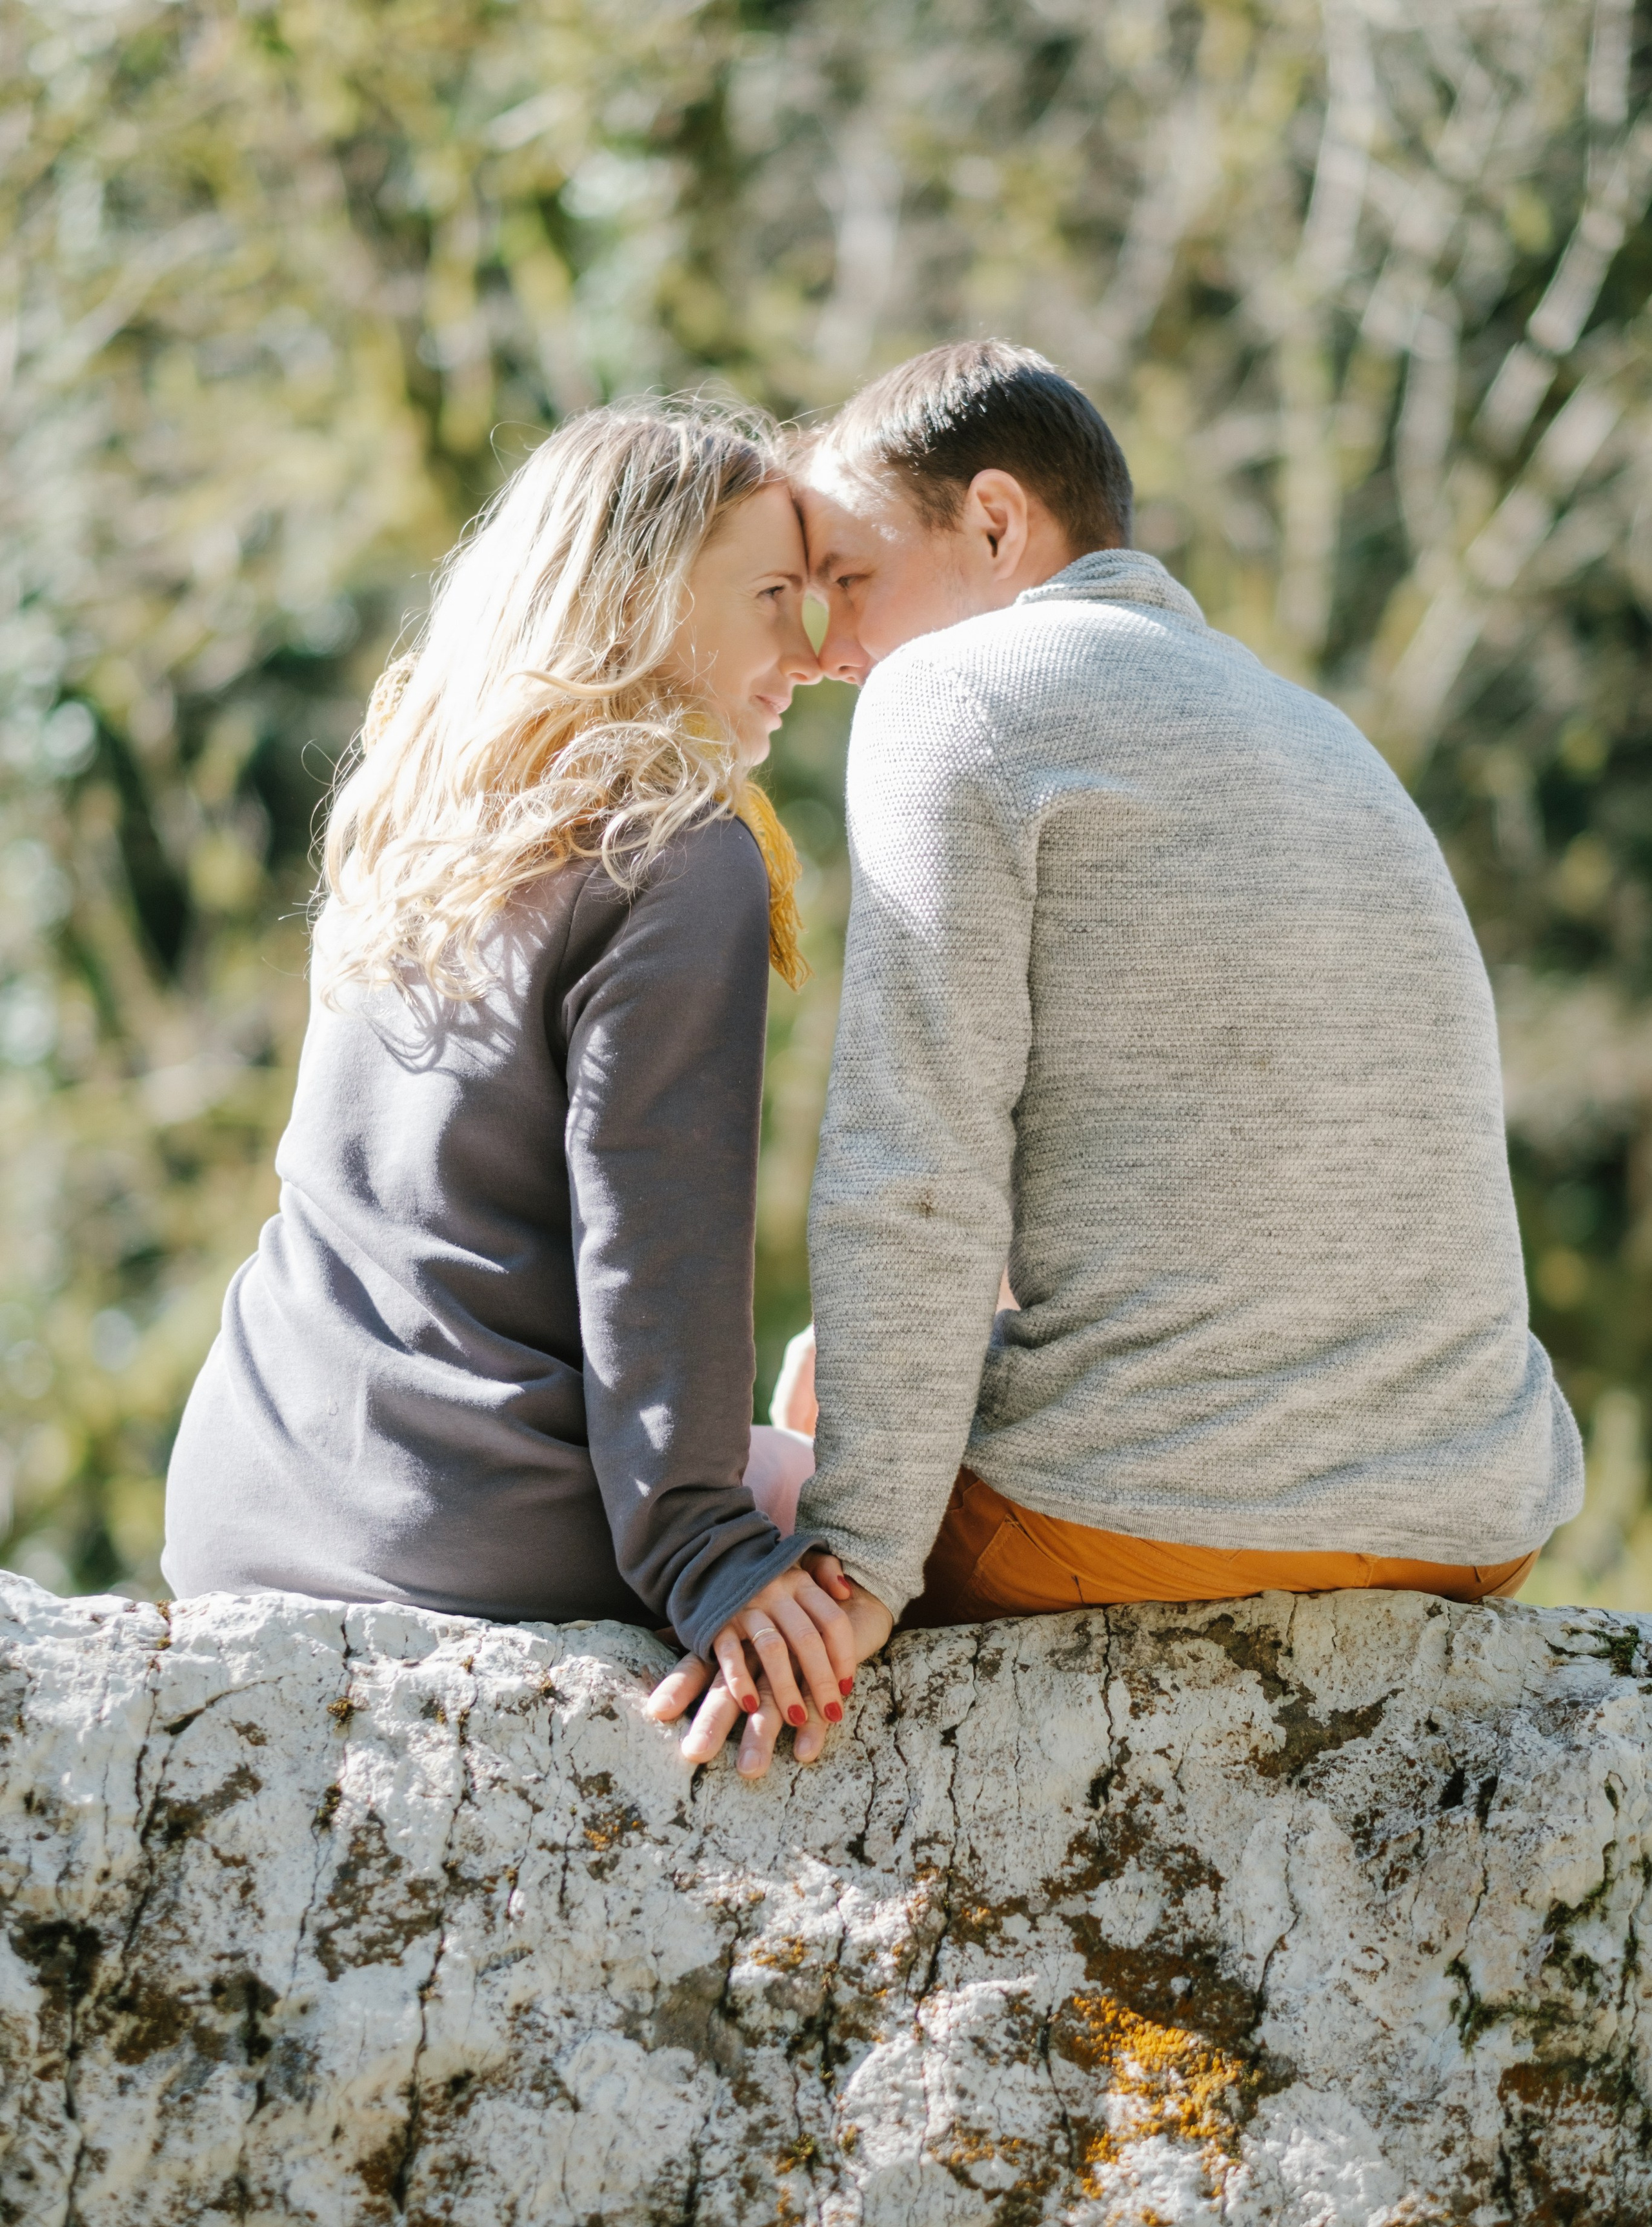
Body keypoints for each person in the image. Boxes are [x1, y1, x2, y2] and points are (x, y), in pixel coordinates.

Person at [661, 338, 1582, 1764]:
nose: (825, 648)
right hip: (1471, 1525)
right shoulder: (1322, 731)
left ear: (991, 519)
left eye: (847, 578)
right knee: (827, 1388)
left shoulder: (956, 693)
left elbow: (915, 1165)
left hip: (1150, 1520)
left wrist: (855, 1559)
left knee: (707, 1480)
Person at [163, 405, 860, 1772]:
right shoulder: (679, 845)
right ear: (637, 594)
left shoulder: (426, 805)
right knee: (896, 1527)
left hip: (245, 1489)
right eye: (772, 597)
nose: (813, 652)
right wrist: (711, 1549)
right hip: (461, 1523)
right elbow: (651, 1235)